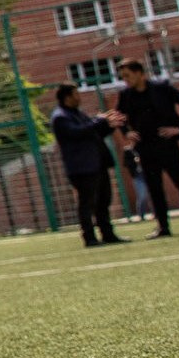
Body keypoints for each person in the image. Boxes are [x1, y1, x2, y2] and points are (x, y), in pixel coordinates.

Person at [112, 59, 179, 235]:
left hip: (167, 144)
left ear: (139, 73)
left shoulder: (162, 88)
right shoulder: (126, 95)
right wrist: (126, 132)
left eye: (128, 76)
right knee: (154, 188)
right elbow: (118, 115)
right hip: (145, 147)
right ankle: (163, 227)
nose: (125, 80)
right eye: (122, 77)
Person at [49, 84, 126, 248]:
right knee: (87, 204)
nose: (79, 97)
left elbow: (94, 132)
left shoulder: (78, 114)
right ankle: (89, 237)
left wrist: (108, 125)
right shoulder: (60, 117)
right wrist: (100, 121)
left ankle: (108, 234)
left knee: (103, 201)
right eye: (76, 94)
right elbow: (78, 132)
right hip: (82, 167)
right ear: (67, 97)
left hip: (97, 164)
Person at [120, 132, 154, 222]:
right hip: (138, 176)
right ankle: (141, 215)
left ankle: (156, 213)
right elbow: (125, 163)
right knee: (142, 195)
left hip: (147, 173)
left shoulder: (143, 148)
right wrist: (134, 162)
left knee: (153, 194)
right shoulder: (128, 150)